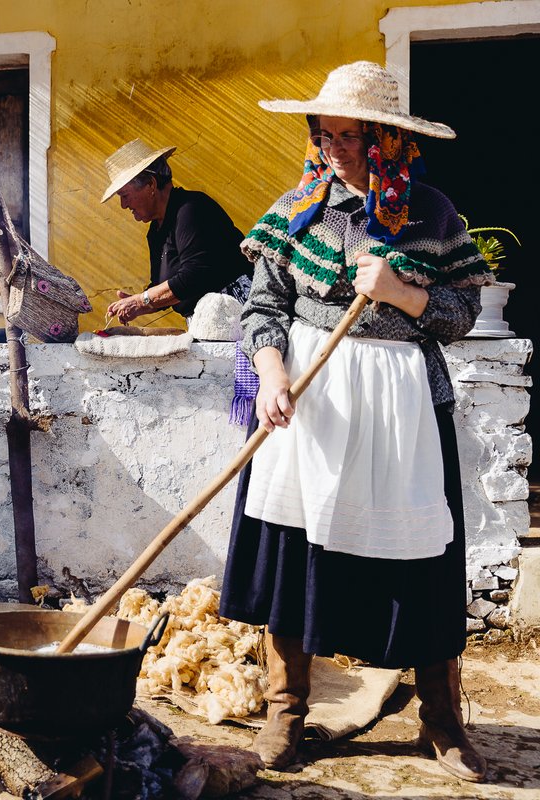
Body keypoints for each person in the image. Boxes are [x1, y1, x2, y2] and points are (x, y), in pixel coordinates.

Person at [218, 62, 493, 780]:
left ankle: (442, 722)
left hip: (403, 406)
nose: (333, 147)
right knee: (294, 556)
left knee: (424, 562)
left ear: (387, 140)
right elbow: (262, 306)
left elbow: (461, 315)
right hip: (314, 404)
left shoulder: (433, 214)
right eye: (325, 133)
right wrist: (273, 372)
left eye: (351, 135)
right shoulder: (298, 207)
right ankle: (285, 714)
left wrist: (401, 292)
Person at [102, 138, 253, 324]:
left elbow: (194, 276)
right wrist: (138, 303)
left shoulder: (191, 209)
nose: (123, 205)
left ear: (151, 184)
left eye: (125, 195)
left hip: (238, 317)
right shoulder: (156, 231)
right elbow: (167, 287)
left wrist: (142, 300)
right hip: (206, 323)